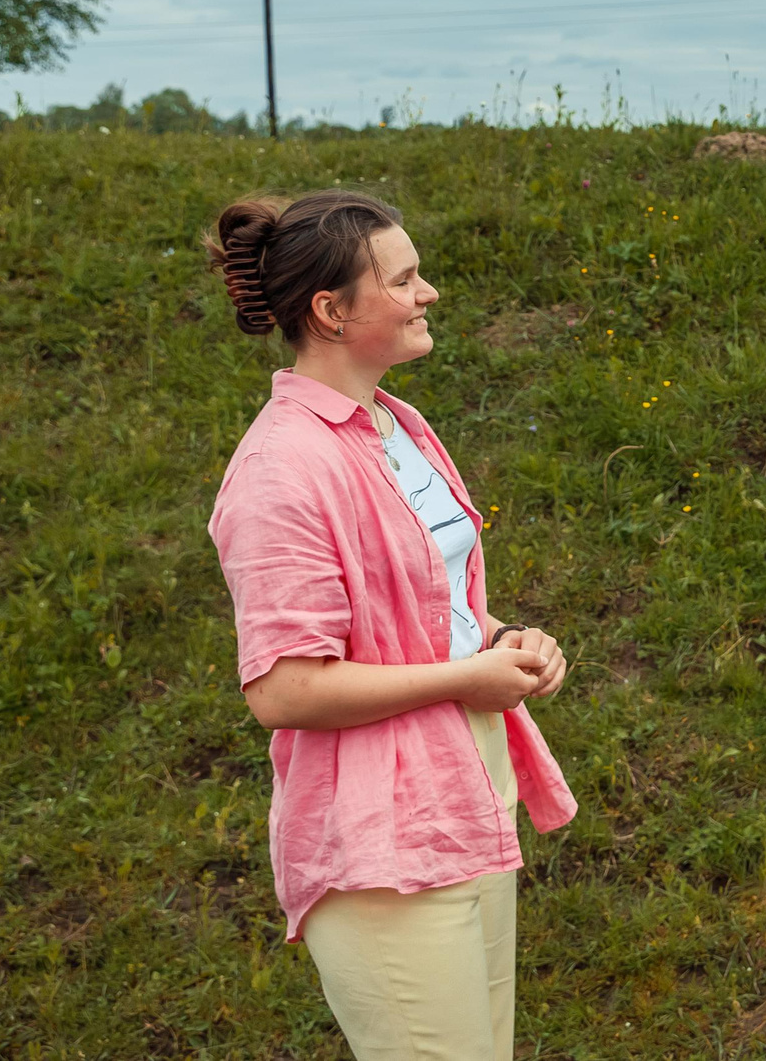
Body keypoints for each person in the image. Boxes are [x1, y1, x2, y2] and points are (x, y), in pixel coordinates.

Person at [203, 189, 578, 1061]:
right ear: (331, 311)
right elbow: (283, 686)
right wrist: (461, 678)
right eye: (404, 279)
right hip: (379, 840)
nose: (428, 292)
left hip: (468, 791)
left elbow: (427, 605)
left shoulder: (395, 423)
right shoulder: (279, 470)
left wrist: (502, 640)